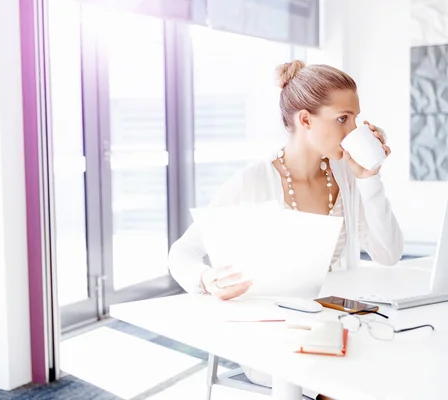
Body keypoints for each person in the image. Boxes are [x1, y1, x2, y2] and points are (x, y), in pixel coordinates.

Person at [167, 60, 404, 400]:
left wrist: (370, 179)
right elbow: (182, 251)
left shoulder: (347, 175)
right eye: (342, 118)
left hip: (338, 326)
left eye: (355, 118)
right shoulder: (251, 181)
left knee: (394, 367)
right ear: (305, 120)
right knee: (352, 387)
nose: (354, 130)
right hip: (275, 339)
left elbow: (389, 253)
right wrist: (206, 279)